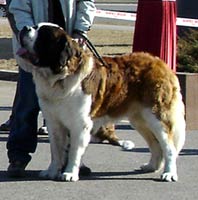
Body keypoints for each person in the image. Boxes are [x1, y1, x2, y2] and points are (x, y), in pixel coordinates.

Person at [6, 0, 96, 178]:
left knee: (72, 113)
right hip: (35, 50)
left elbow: (86, 3)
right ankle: (18, 157)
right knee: (26, 107)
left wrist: (80, 30)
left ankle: (71, 160)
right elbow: (17, 8)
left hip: (67, 51)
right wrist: (29, 37)